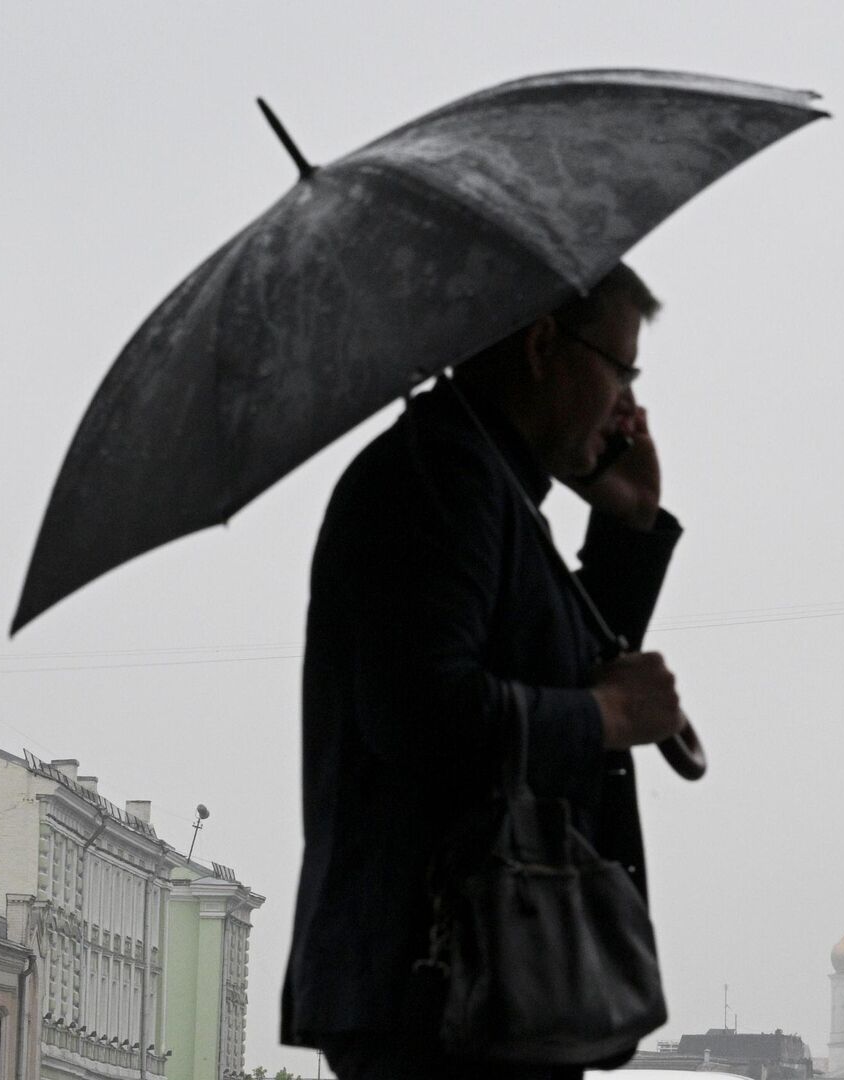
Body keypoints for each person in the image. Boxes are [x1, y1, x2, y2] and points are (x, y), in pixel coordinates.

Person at [282, 264, 688, 1080]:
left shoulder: (488, 483)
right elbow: (423, 711)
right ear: (545, 344)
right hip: (441, 982)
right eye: (622, 369)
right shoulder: (441, 478)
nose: (628, 405)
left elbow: (558, 669)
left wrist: (631, 523)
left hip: (483, 977)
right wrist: (607, 717)